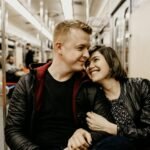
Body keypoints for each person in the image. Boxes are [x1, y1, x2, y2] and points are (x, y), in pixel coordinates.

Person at [5, 19, 107, 150]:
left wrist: (85, 135)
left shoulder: (89, 84)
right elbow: (12, 130)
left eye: (88, 49)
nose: (87, 55)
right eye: (80, 48)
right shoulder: (29, 82)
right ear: (59, 47)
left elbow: (105, 127)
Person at [84, 45, 150, 150]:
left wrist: (112, 128)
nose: (90, 66)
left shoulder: (141, 86)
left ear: (111, 62)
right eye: (87, 64)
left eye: (95, 60)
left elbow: (148, 133)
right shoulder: (93, 97)